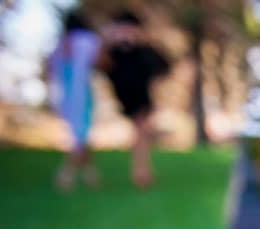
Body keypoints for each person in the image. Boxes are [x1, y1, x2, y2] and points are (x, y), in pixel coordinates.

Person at [98, 11, 169, 188]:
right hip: (123, 97)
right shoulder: (113, 51)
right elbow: (101, 65)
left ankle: (141, 172)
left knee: (141, 133)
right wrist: (107, 41)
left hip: (141, 98)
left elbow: (162, 68)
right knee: (140, 134)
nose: (126, 33)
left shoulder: (144, 50)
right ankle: (141, 172)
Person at [47, 12, 102, 190]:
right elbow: (100, 60)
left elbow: (51, 69)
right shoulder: (88, 40)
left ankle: (90, 175)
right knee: (80, 135)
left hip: (65, 94)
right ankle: (66, 175)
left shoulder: (61, 44)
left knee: (79, 134)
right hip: (82, 92)